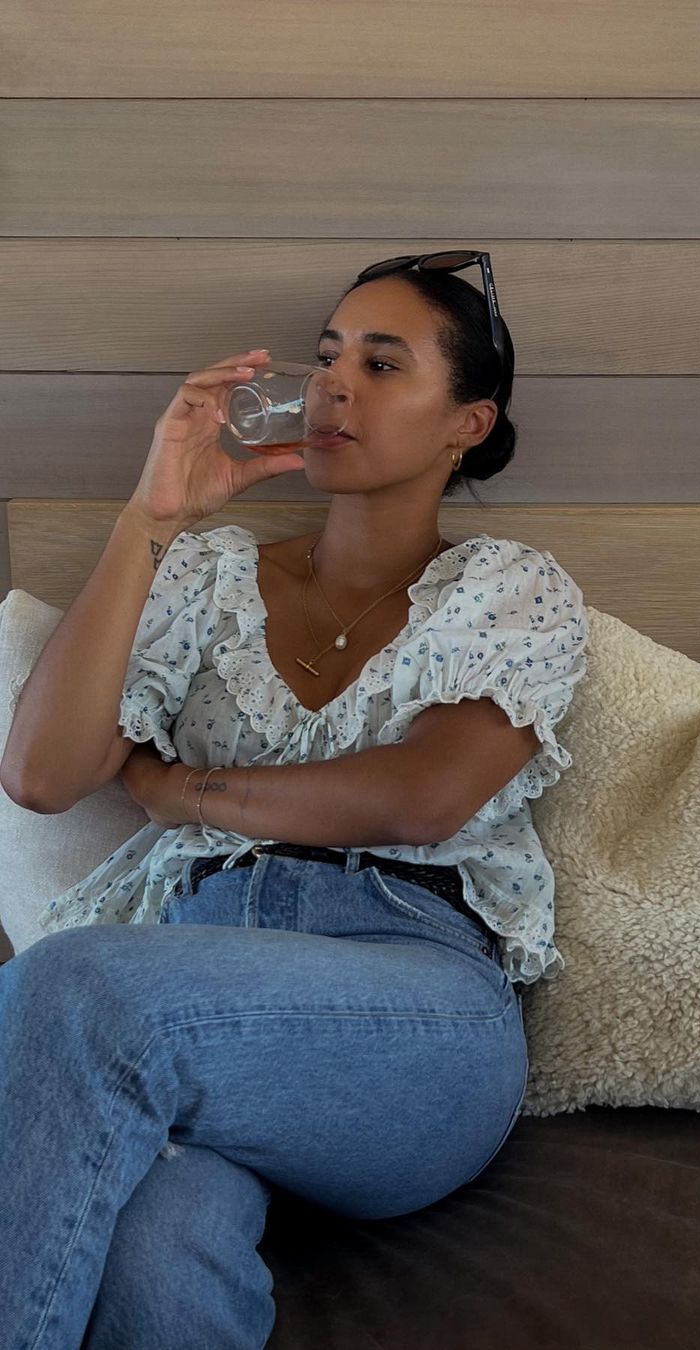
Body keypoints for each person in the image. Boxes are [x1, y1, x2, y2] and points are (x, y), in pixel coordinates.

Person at [0, 257, 589, 1348]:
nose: (334, 386)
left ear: (468, 424)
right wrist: (151, 514)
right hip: (193, 982)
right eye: (326, 358)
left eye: (382, 364)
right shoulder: (207, 576)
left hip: (412, 995)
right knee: (155, 1256)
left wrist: (187, 792)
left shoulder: (512, 589)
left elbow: (421, 798)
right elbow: (41, 774)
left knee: (71, 986)